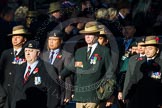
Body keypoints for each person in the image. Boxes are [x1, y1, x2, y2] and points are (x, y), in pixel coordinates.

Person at [61, 21, 114, 108]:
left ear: (97, 35)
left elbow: (110, 73)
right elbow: (69, 68)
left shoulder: (104, 51)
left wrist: (110, 95)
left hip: (95, 95)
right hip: (80, 95)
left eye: (91, 34)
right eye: (86, 34)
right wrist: (60, 75)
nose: (87, 37)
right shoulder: (80, 51)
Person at [11, 40, 60, 108]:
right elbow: (14, 90)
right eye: (26, 51)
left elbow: (54, 92)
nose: (27, 53)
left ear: (38, 53)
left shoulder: (48, 68)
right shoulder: (19, 68)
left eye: (31, 51)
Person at [125, 36, 162, 108]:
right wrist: (127, 95)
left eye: (150, 48)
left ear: (157, 50)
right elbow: (133, 80)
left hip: (153, 101)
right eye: (146, 48)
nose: (147, 51)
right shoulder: (140, 62)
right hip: (138, 99)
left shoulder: (160, 64)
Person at [41, 30, 73, 107]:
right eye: (50, 40)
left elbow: (68, 77)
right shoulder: (43, 55)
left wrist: (68, 94)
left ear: (61, 41)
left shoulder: (66, 56)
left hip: (58, 91)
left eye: (54, 40)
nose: (51, 42)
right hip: (43, 91)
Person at [0, 25, 29, 108]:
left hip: (18, 94)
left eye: (18, 37)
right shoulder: (6, 53)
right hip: (4, 93)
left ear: (24, 40)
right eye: (13, 37)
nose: (15, 39)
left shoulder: (27, 54)